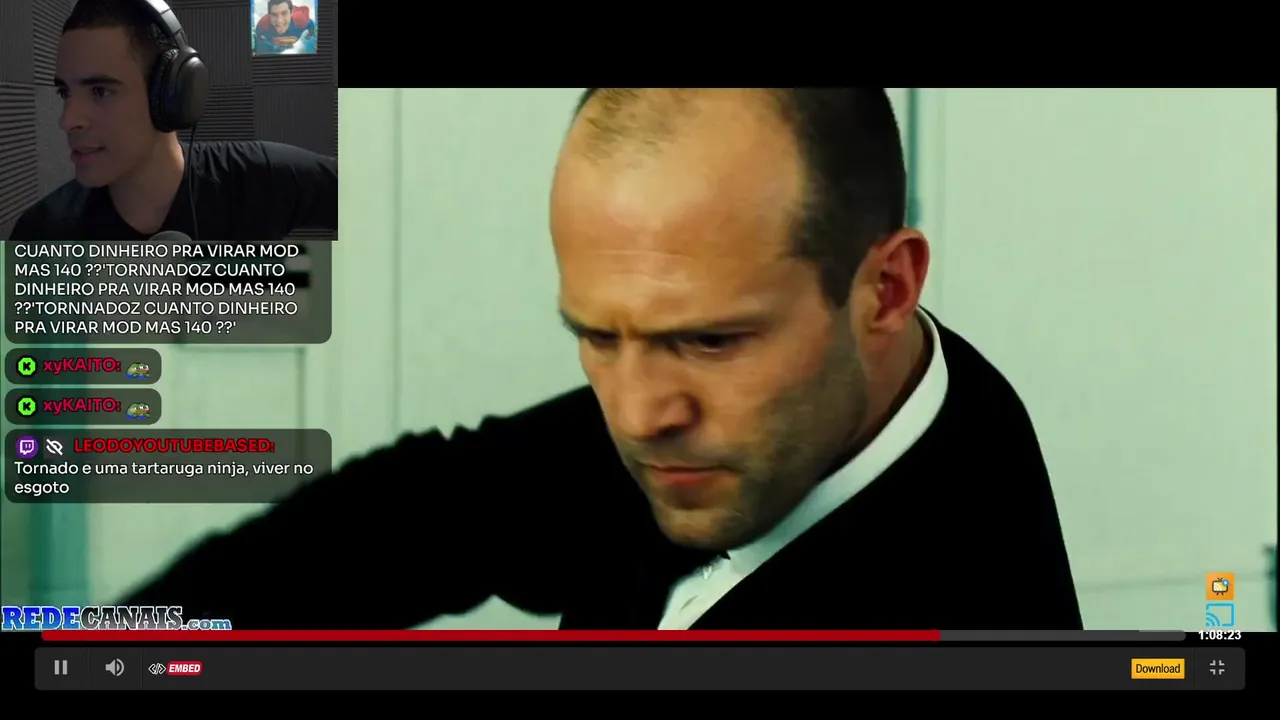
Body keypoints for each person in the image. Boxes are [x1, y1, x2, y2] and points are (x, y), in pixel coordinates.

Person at [122, 88, 1082, 630]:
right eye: (598, 335)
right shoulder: (754, 418)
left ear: (886, 290)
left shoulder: (960, 593)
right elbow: (428, 510)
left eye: (711, 340)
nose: (637, 414)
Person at [7, 0, 336, 242]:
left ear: (171, 94)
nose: (67, 120)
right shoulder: (42, 233)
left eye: (100, 91)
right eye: (65, 92)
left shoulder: (261, 177)